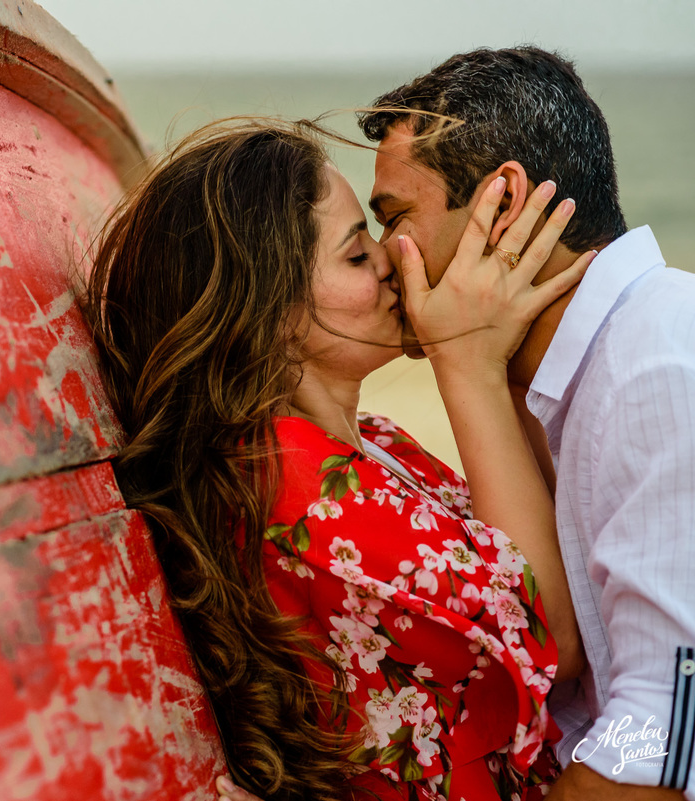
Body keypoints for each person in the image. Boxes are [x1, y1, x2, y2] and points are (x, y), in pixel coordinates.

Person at [220, 46, 695, 801]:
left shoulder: (656, 366)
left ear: (499, 205)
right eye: (359, 246)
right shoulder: (566, 379)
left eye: (395, 218)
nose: (384, 258)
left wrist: (468, 356)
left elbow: (661, 736)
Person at [83, 116, 591, 800]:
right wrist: (468, 362)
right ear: (268, 316)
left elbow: (544, 553)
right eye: (357, 256)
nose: (393, 257)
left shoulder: (367, 440)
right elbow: (553, 636)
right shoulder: (293, 488)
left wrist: (503, 361)